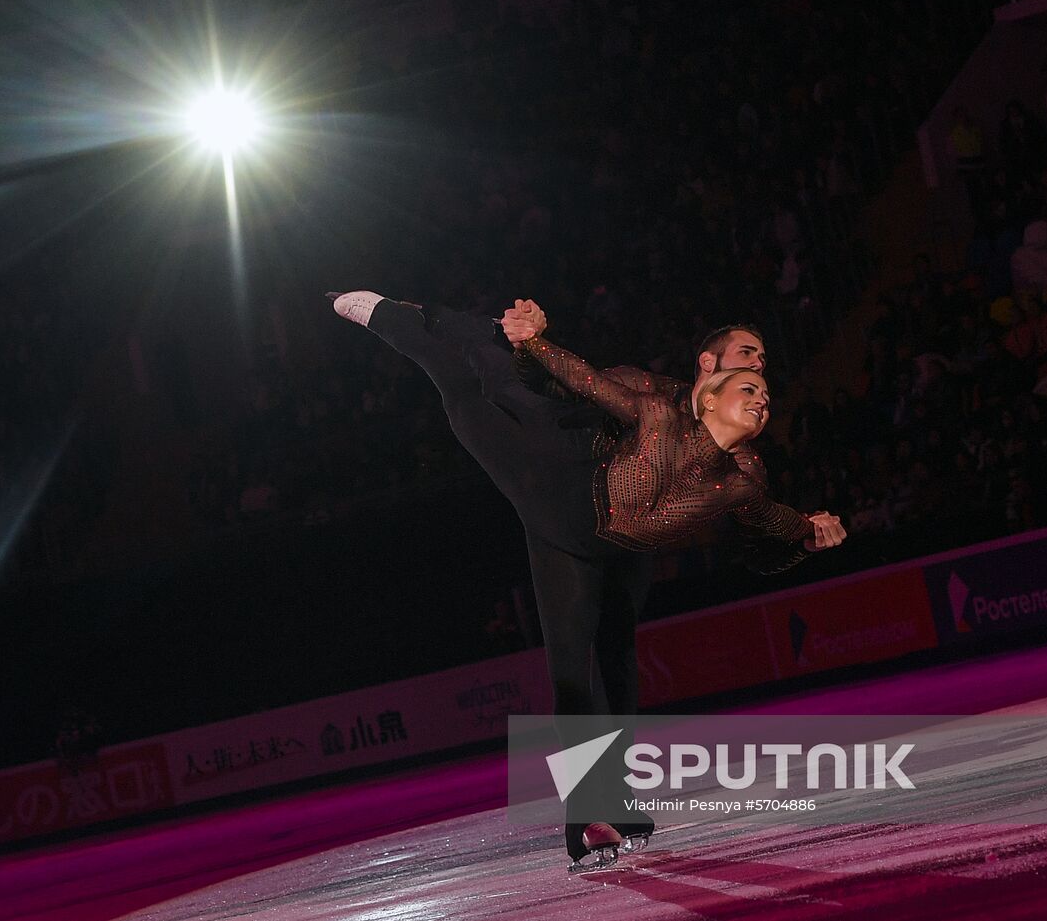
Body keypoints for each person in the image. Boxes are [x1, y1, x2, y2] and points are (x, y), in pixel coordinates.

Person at [329, 289, 845, 869]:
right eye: (749, 363)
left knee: (618, 659)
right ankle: (397, 316)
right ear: (711, 371)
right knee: (477, 381)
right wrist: (531, 343)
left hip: (620, 540)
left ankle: (611, 801)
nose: (759, 374)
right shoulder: (653, 402)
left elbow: (768, 541)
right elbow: (576, 380)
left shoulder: (745, 474)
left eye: (764, 374)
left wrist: (806, 534)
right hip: (560, 485)